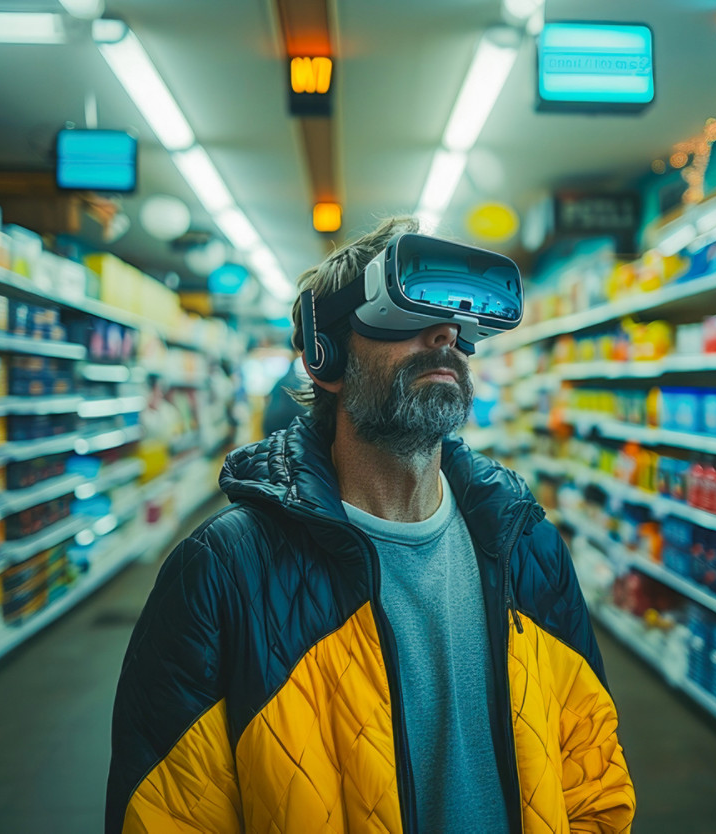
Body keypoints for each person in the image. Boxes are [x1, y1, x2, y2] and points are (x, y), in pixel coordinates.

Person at [106, 217, 635, 834]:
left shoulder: (527, 545)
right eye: (405, 315)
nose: (446, 335)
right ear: (324, 356)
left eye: (458, 324)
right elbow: (170, 814)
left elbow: (592, 770)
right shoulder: (223, 572)